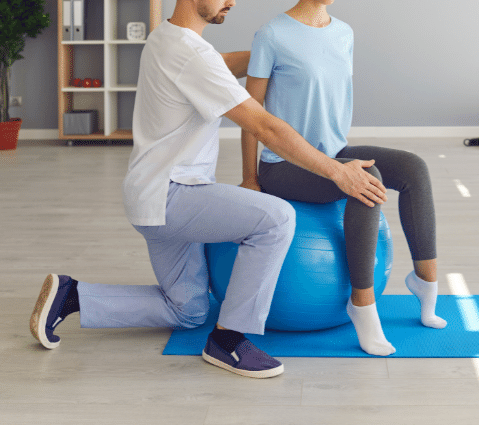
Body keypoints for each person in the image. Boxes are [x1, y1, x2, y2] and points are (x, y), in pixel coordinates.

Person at [29, 0, 387, 379]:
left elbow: (221, 64)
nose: (231, 1)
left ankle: (73, 295)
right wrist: (336, 171)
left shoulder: (168, 37)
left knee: (188, 311)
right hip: (174, 196)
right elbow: (264, 127)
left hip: (150, 196)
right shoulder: (191, 53)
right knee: (277, 218)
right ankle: (229, 340)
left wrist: (280, 52)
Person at [241, 0, 447, 357]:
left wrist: (338, 160)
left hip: (333, 152)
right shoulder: (272, 34)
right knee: (366, 177)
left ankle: (425, 282)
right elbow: (250, 114)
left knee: (414, 167)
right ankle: (362, 305)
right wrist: (250, 178)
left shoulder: (343, 33)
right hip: (283, 166)